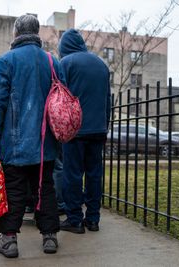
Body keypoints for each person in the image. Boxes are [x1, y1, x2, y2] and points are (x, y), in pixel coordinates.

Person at [0, 14, 65, 258]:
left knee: (14, 190)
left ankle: (9, 240)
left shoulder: (6, 61)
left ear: (16, 33)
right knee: (45, 188)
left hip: (14, 142)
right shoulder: (53, 62)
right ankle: (50, 236)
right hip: (46, 144)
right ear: (37, 32)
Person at [58, 29, 111, 234]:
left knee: (72, 175)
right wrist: (104, 125)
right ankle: (93, 219)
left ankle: (74, 219)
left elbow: (58, 99)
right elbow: (107, 100)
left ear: (65, 47)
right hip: (98, 129)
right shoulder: (101, 64)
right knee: (94, 175)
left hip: (74, 131)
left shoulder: (66, 64)